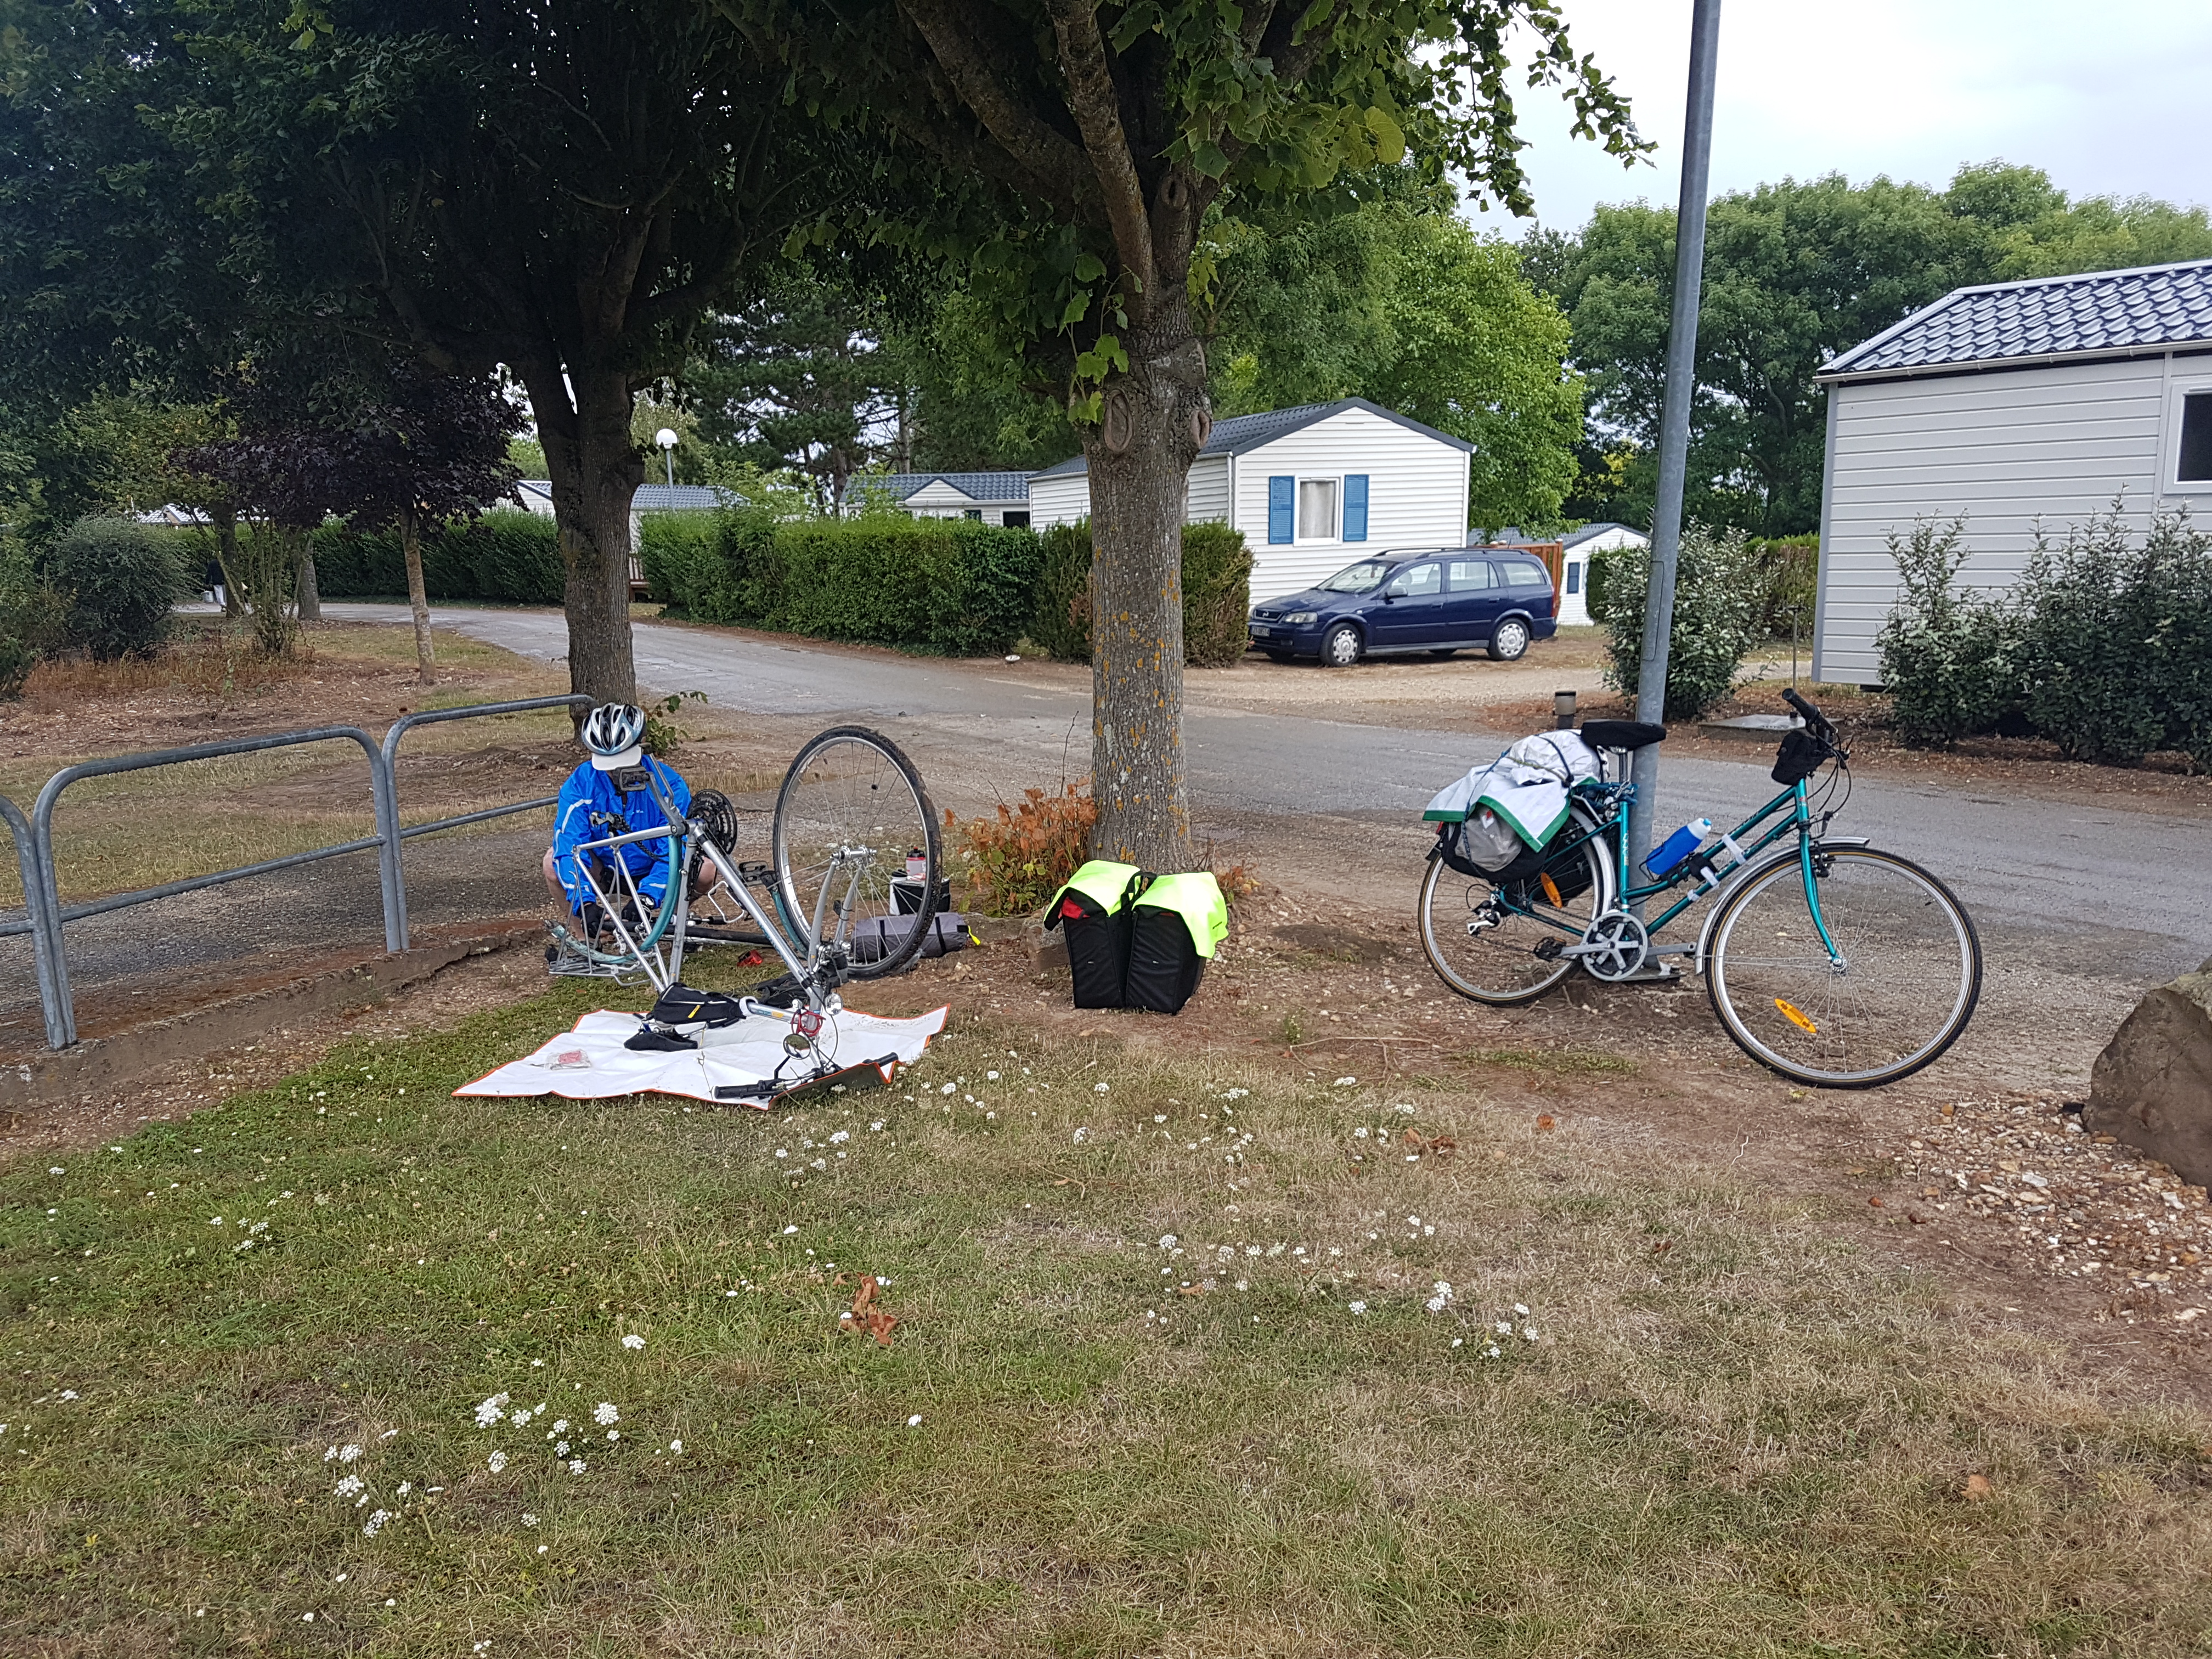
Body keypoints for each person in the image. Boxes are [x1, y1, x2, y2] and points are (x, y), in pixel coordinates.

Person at [542, 703, 716, 933]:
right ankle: (584, 935)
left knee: (706, 869)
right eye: (608, 765)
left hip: (653, 866)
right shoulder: (580, 784)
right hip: (606, 868)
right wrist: (583, 903)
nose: (615, 772)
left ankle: (671, 918)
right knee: (551, 862)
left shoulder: (668, 785)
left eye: (622, 762)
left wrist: (647, 897)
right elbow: (569, 846)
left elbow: (676, 851)